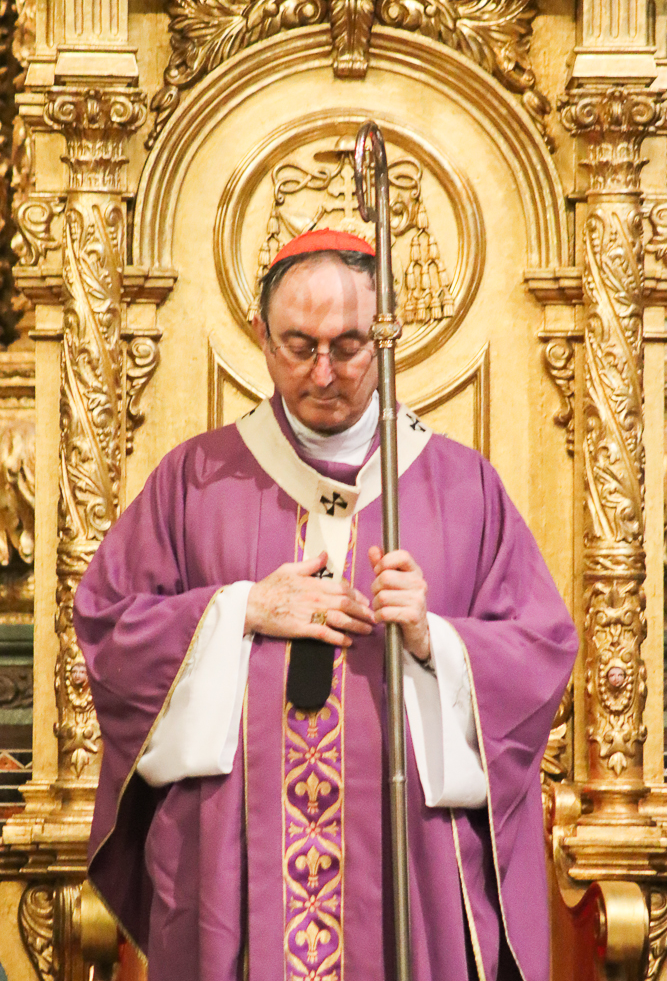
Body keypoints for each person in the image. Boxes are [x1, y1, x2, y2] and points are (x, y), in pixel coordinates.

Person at [73, 228, 579, 981]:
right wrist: (238, 610)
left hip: (407, 876)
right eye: (298, 345)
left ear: (384, 337)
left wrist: (436, 640)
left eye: (347, 347)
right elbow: (108, 628)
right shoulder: (196, 480)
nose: (322, 372)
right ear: (260, 334)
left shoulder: (460, 486)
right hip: (234, 878)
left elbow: (540, 652)